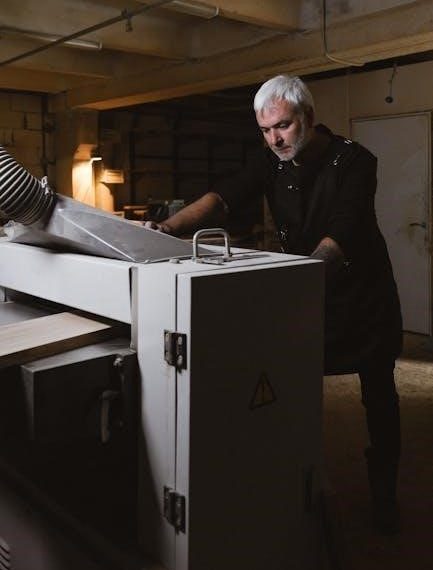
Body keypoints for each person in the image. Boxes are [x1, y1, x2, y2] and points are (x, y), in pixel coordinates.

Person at [144, 74, 403, 534]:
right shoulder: (271, 160)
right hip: (307, 290)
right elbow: (223, 197)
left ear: (309, 117)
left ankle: (385, 497)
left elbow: (342, 231)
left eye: (283, 126)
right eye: (265, 130)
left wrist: (294, 284)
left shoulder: (356, 161)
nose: (274, 139)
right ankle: (297, 483)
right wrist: (167, 229)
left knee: (379, 398)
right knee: (292, 386)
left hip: (363, 300)